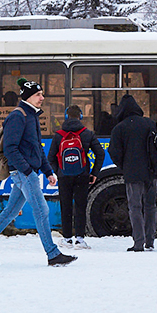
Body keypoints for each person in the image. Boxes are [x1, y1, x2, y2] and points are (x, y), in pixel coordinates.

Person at [0, 79, 77, 266]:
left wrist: (48, 171)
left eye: (42, 94)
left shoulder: (32, 116)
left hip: (27, 171)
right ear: (28, 96)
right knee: (42, 210)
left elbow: (37, 148)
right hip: (24, 173)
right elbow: (11, 148)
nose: (42, 98)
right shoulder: (18, 117)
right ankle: (53, 255)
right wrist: (27, 171)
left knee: (9, 212)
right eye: (38, 95)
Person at [108, 94, 157, 252]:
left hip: (132, 173)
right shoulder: (149, 124)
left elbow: (113, 151)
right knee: (150, 206)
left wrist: (124, 165)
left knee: (135, 207)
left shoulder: (120, 128)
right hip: (151, 172)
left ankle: (138, 242)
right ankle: (150, 241)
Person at [47, 105, 105, 249]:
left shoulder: (58, 135)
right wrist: (94, 173)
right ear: (80, 117)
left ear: (66, 117)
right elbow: (100, 153)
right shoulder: (87, 134)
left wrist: (59, 171)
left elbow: (50, 158)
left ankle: (67, 239)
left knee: (65, 206)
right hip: (82, 175)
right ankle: (79, 239)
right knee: (80, 205)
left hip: (64, 176)